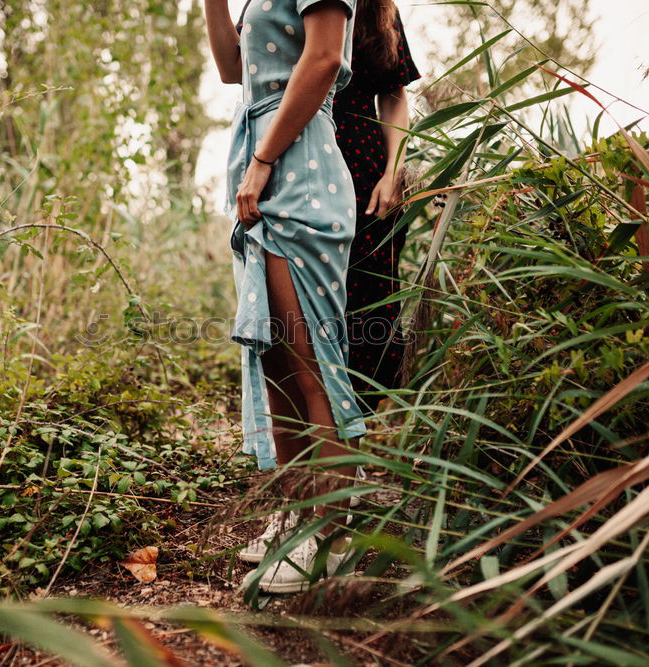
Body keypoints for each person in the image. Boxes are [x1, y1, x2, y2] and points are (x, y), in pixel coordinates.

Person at [204, 0, 365, 593]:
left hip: (297, 165)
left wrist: (264, 159)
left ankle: (334, 534)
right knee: (275, 360)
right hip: (261, 164)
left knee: (308, 362)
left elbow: (322, 58)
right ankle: (299, 518)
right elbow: (231, 69)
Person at [335, 0, 420, 407]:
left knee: (367, 301)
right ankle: (303, 431)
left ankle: (353, 438)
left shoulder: (378, 9)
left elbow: (394, 94)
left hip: (366, 172)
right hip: (298, 157)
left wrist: (392, 173)